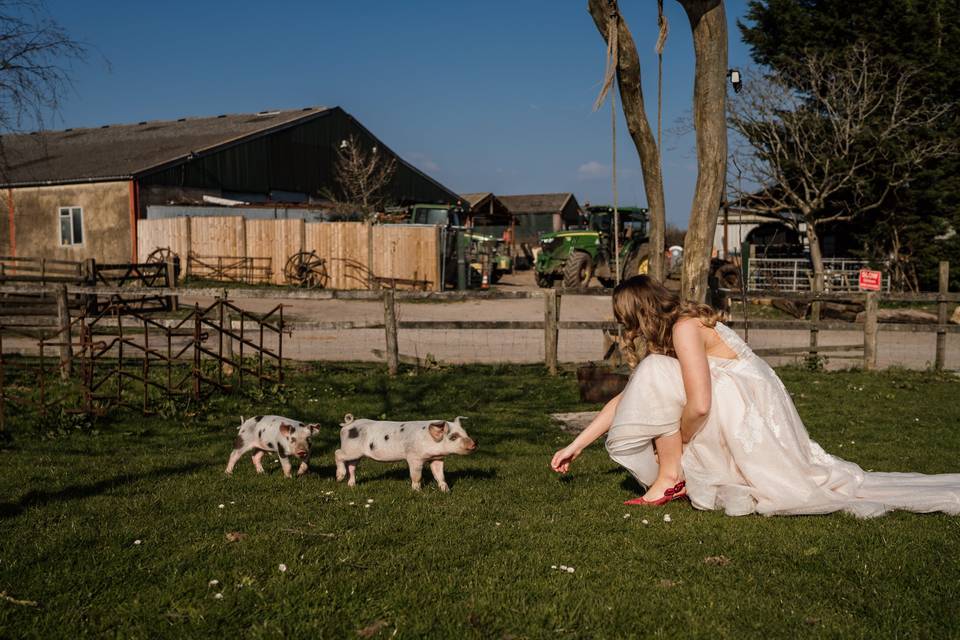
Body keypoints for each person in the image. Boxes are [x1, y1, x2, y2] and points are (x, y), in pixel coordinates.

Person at [550, 275, 960, 517]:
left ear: (639, 313)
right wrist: (576, 445)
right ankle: (671, 476)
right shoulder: (674, 333)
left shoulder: (684, 329)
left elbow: (701, 404)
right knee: (653, 375)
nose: (628, 331)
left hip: (749, 404)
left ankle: (670, 478)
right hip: (739, 397)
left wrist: (683, 439)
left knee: (657, 375)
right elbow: (627, 398)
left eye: (627, 321)